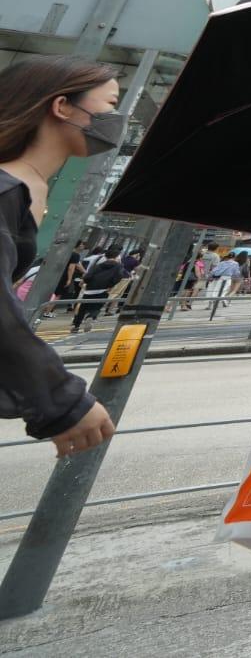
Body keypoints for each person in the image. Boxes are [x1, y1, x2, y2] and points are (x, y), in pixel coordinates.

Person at [0, 55, 123, 458]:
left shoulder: (28, 188)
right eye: (110, 104)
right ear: (62, 106)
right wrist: (61, 400)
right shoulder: (6, 189)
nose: (118, 119)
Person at [70, 251, 125, 332]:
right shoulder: (118, 266)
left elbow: (89, 275)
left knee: (82, 308)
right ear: (117, 257)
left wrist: (84, 281)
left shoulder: (99, 265)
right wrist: (110, 285)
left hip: (90, 289)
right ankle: (91, 317)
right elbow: (119, 277)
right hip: (103, 289)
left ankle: (76, 326)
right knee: (97, 307)